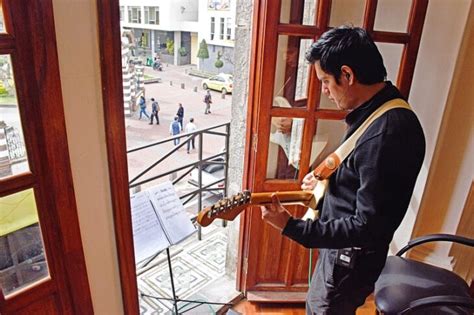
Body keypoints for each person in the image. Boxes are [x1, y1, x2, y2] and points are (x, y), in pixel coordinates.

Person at [260, 25, 425, 314]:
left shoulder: (388, 134)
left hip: (349, 260)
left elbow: (367, 226)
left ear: (347, 75)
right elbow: (363, 177)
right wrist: (326, 182)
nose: (324, 91)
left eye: (325, 81)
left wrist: (291, 226)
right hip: (344, 253)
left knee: (322, 308)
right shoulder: (381, 106)